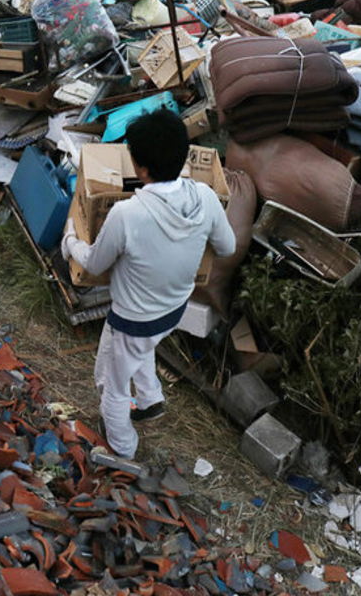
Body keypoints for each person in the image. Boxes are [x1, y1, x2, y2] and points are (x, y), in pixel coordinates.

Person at [61, 108, 236, 459]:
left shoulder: (128, 214)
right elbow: (227, 246)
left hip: (132, 317)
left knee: (111, 383)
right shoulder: (205, 197)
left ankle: (122, 448)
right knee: (138, 348)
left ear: (139, 168)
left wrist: (70, 241)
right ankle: (150, 398)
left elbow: (94, 262)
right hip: (173, 308)